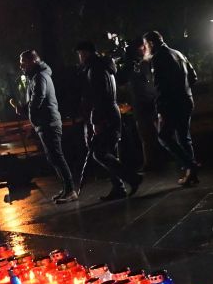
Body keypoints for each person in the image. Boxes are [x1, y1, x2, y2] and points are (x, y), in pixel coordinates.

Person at [76, 41, 141, 201]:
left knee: (100, 153)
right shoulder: (104, 66)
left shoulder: (95, 69)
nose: (79, 58)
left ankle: (132, 178)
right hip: (111, 112)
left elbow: (99, 96)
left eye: (80, 54)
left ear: (86, 53)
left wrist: (96, 120)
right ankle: (118, 188)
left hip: (104, 114)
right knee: (109, 152)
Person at [18, 50, 77, 203]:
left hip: (49, 122)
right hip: (45, 122)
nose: (21, 66)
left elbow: (38, 98)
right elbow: (35, 99)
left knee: (57, 156)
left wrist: (25, 110)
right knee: (53, 157)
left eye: (23, 62)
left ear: (32, 61)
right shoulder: (37, 76)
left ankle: (70, 190)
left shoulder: (39, 77)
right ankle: (66, 188)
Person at [144, 30, 199, 186]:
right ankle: (191, 173)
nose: (145, 49)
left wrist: (160, 110)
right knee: (184, 137)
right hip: (186, 100)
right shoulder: (178, 53)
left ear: (151, 43)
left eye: (146, 45)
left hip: (172, 104)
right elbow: (193, 76)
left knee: (164, 137)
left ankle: (190, 165)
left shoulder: (159, 58)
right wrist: (185, 90)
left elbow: (161, 87)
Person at [118, 37, 165, 172]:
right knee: (145, 134)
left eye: (144, 46)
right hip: (142, 103)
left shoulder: (150, 61)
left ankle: (158, 159)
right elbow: (123, 80)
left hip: (152, 101)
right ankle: (150, 161)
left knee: (158, 132)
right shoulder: (133, 65)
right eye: (141, 47)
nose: (144, 49)